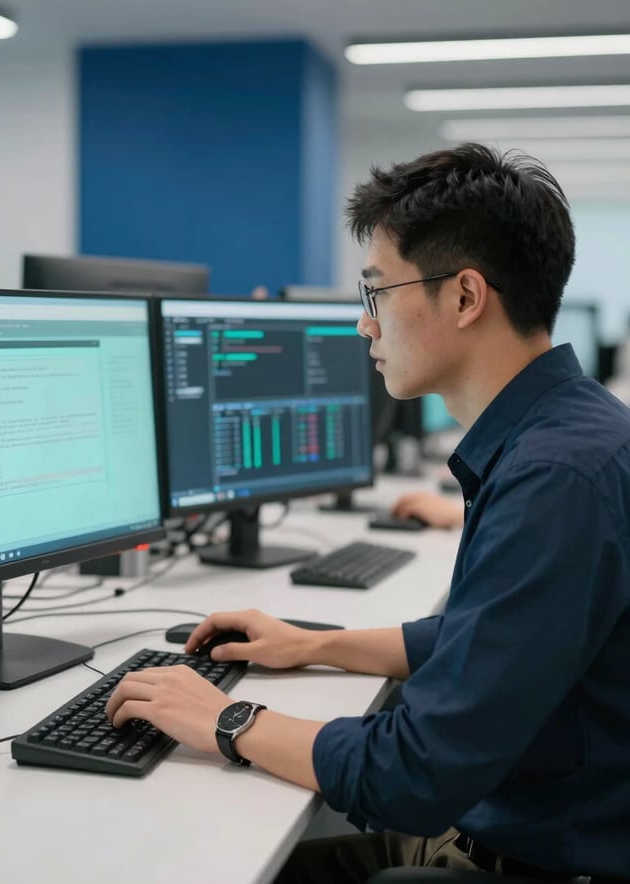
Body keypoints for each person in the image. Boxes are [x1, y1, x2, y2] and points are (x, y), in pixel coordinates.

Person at [105, 143, 630, 882]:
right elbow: (494, 633)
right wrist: (313, 643)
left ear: (465, 296)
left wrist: (225, 720)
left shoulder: (555, 476)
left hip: (530, 860)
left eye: (377, 292)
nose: (363, 326)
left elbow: (413, 778)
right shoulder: (569, 432)